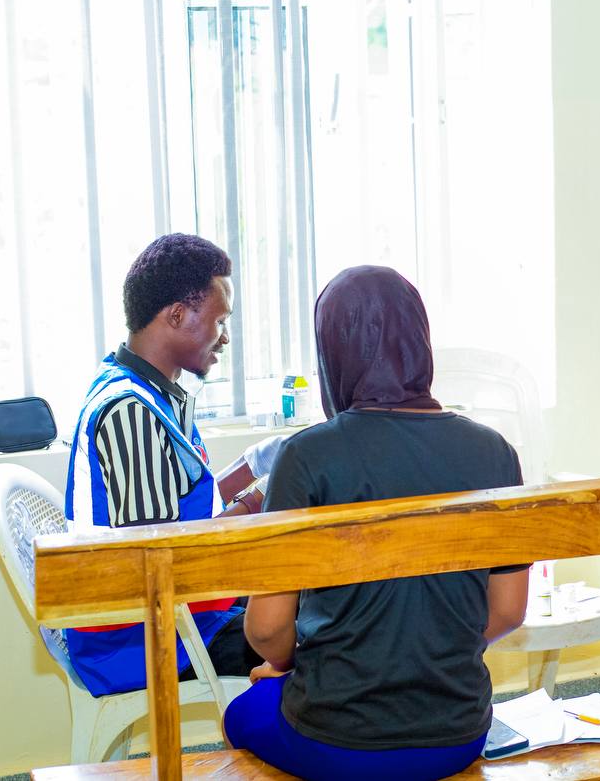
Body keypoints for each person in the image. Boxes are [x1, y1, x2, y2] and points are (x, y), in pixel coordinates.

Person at [222, 266, 529, 781]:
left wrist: (291, 665)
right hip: (459, 734)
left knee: (240, 715)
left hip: (335, 737)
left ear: (332, 352)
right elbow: (509, 610)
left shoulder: (306, 457)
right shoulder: (495, 452)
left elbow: (266, 627)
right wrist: (434, 654)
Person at [63, 233, 263, 696]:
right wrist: (256, 503)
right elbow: (161, 561)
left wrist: (254, 467)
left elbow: (182, 505)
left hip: (180, 618)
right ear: (176, 316)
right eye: (219, 320)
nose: (225, 337)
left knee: (309, 610)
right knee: (320, 638)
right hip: (145, 643)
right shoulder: (129, 411)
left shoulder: (148, 391)